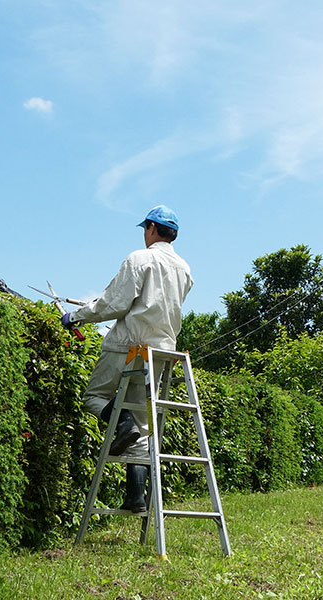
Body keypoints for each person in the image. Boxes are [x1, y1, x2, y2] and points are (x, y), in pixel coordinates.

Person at [60, 205, 193, 512]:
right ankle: (136, 497)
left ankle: (122, 422)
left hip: (128, 346)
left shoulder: (140, 258)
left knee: (94, 397)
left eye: (145, 229)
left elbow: (114, 304)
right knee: (144, 427)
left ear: (150, 228)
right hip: (160, 352)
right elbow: (153, 305)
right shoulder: (184, 269)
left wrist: (76, 317)